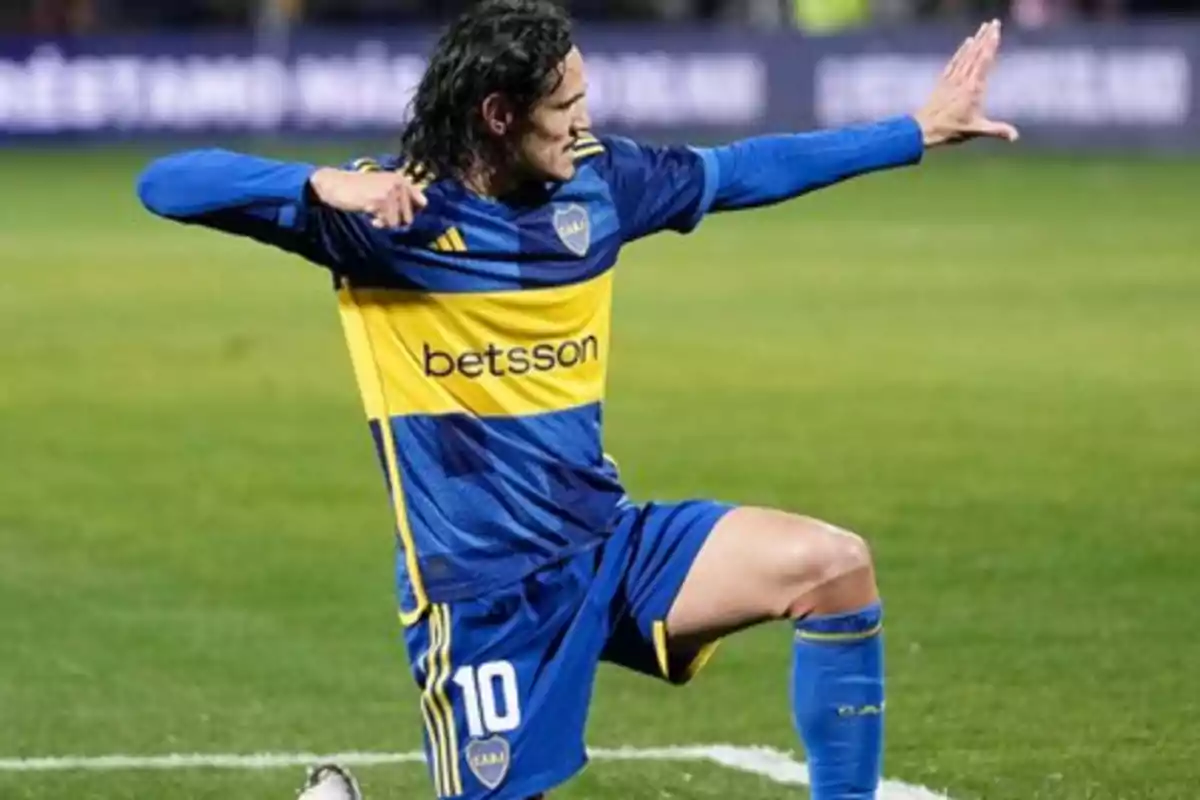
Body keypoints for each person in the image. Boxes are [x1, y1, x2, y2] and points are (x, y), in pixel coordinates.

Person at [136, 3, 1017, 798]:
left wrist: (913, 131)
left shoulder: (603, 185)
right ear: (499, 115)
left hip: (608, 544)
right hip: (483, 594)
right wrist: (319, 182)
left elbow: (748, 168)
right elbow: (166, 183)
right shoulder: (389, 220)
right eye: (565, 107)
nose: (583, 121)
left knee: (831, 568)